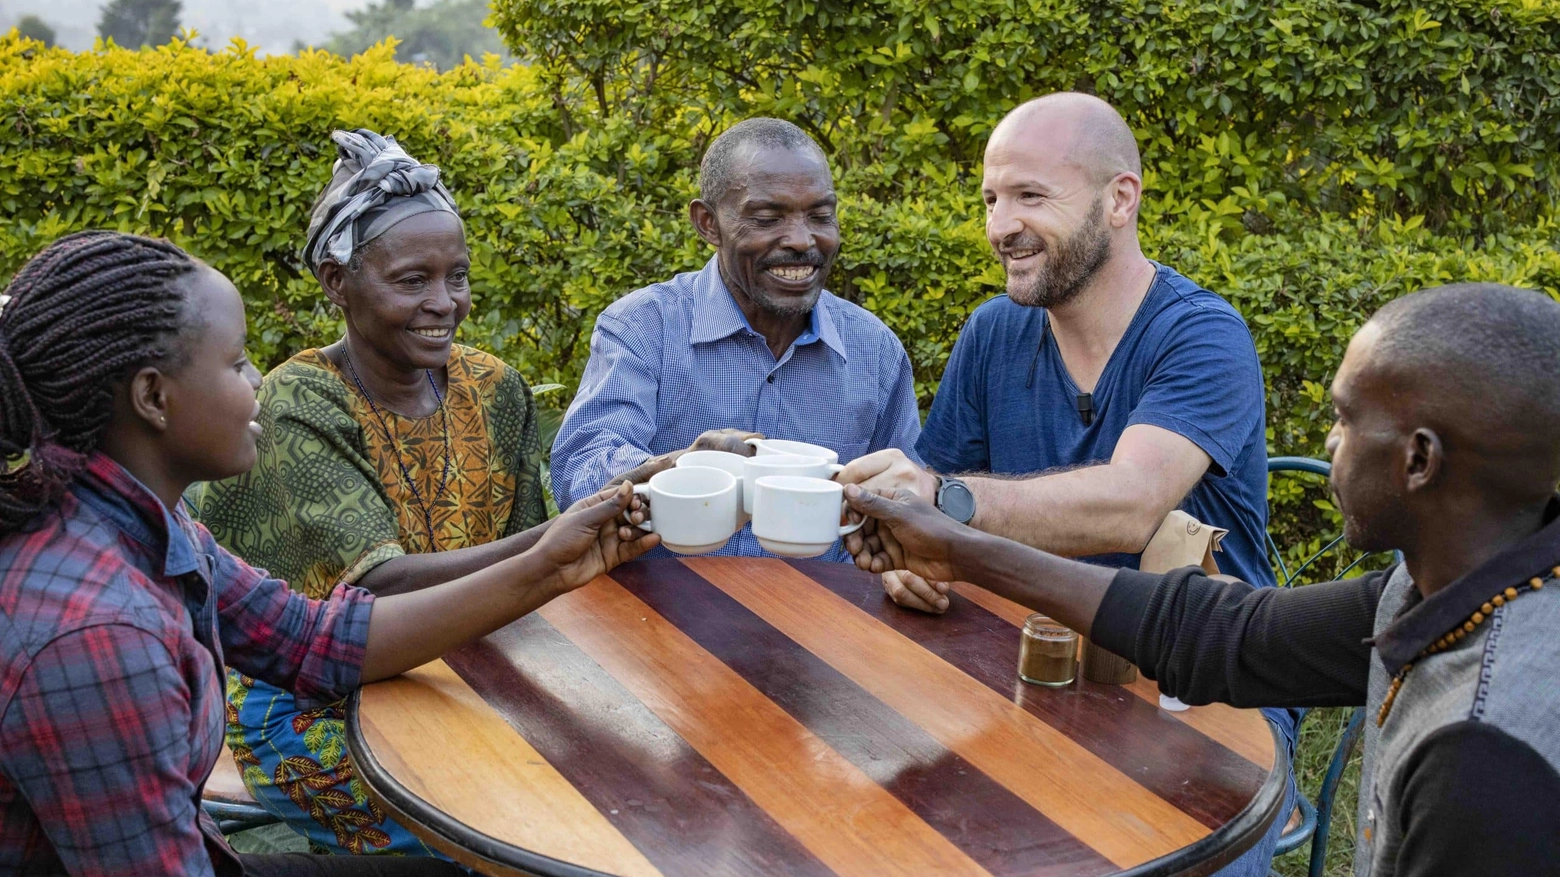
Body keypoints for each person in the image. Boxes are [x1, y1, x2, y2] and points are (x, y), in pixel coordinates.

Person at [839, 283, 1560, 877]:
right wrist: (960, 552)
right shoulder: (1451, 581)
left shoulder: (1485, 758)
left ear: (1419, 460)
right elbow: (1219, 632)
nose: (1328, 443)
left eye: (1344, 419)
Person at [0, 230, 657, 876]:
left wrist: (550, 563)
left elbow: (313, 639)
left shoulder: (133, 513)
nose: (259, 379)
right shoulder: (96, 633)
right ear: (152, 397)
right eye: (235, 363)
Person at [836, 92, 1295, 875]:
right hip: (1024, 673)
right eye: (989, 199)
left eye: (1029, 196)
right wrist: (917, 558)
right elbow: (939, 504)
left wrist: (944, 505)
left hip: (1201, 698)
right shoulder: (993, 333)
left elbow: (1131, 504)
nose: (998, 226)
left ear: (1120, 200)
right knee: (875, 817)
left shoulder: (1201, 335)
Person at [191, 129, 551, 857]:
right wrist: (563, 547)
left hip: (465, 679)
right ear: (336, 281)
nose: (444, 303)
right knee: (500, 828)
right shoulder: (302, 399)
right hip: (316, 699)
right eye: (412, 280)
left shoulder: (495, 388)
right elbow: (379, 584)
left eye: (457, 276)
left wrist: (569, 545)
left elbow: (529, 578)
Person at [550, 117, 923, 561]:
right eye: (768, 218)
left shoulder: (874, 349)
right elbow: (581, 470)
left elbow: (908, 498)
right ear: (708, 223)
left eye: (821, 216)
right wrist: (681, 467)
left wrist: (903, 559)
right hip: (661, 611)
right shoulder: (643, 326)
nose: (803, 241)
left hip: (824, 614)